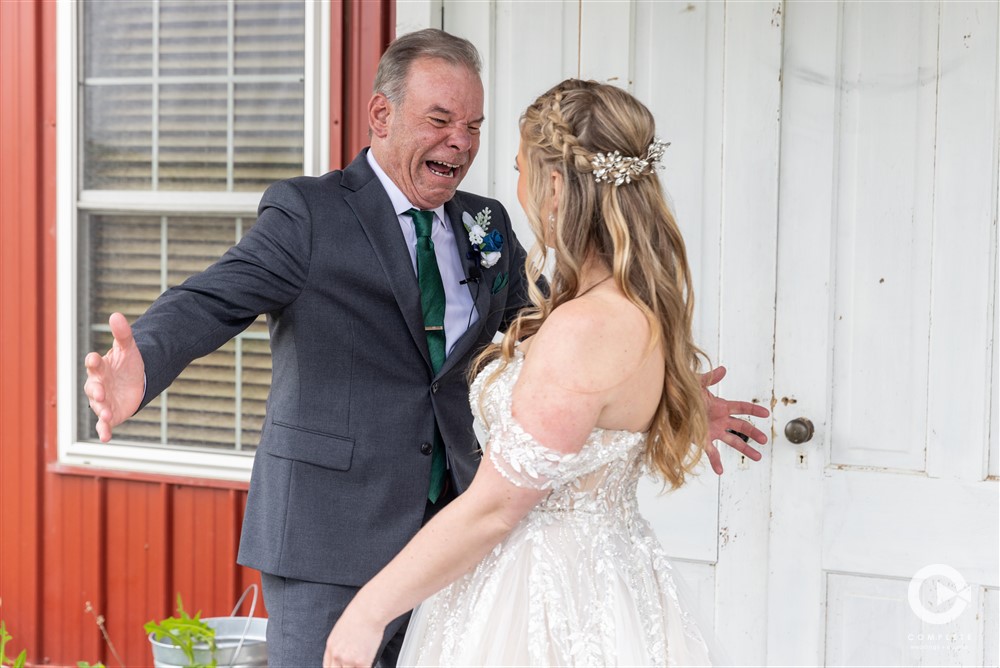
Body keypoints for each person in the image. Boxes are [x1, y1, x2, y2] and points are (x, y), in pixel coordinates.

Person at [83, 31, 767, 667]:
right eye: (440, 121)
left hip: (459, 540)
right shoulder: (308, 214)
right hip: (330, 538)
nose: (461, 143)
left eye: (473, 126)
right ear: (381, 116)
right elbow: (213, 298)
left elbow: (555, 334)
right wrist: (143, 360)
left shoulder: (485, 223)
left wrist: (661, 393)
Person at [323, 78, 743, 667]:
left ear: (551, 184)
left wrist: (371, 609)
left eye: (520, 168)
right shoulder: (633, 306)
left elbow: (498, 505)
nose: (512, 188)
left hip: (547, 597)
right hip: (603, 574)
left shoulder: (586, 326)